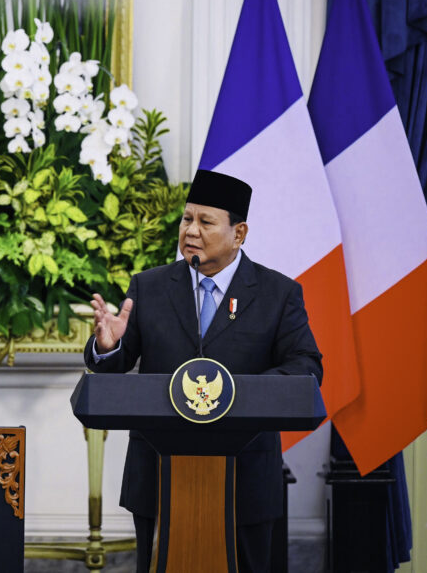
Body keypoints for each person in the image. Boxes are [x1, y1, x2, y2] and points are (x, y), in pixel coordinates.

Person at [85, 169, 322, 573]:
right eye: (186, 219)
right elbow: (115, 366)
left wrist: (237, 394)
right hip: (158, 475)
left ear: (239, 233)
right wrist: (109, 346)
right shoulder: (148, 287)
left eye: (205, 222)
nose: (191, 231)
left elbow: (306, 367)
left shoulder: (278, 293)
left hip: (246, 478)